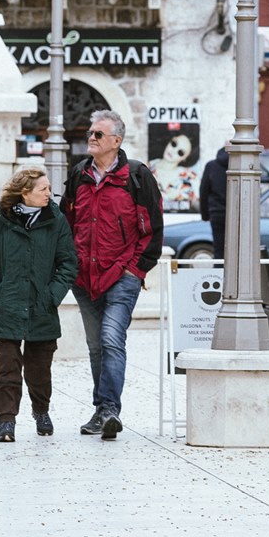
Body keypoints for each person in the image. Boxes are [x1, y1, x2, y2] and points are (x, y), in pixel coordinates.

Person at [61, 109, 163, 441]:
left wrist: (136, 270)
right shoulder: (78, 174)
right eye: (90, 133)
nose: (91, 138)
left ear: (116, 141)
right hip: (85, 277)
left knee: (110, 339)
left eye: (98, 134)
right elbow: (66, 223)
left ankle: (109, 410)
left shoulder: (137, 176)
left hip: (123, 274)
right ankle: (101, 410)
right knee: (95, 346)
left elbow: (153, 229)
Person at [0, 167, 77, 443]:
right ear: (25, 193)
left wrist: (52, 295)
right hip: (8, 305)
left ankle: (41, 410)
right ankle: (6, 420)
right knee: (7, 367)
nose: (50, 193)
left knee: (39, 368)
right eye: (43, 189)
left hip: (42, 307)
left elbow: (68, 263)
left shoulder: (56, 220)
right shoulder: (0, 220)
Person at [148, 133, 200, 212]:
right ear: (169, 141)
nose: (173, 151)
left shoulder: (191, 178)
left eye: (181, 152)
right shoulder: (145, 168)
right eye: (174, 144)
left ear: (185, 158)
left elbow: (200, 208)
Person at [199, 146, 229, 259]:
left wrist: (205, 215)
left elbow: (204, 191)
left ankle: (218, 274)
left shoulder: (211, 166)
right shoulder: (240, 165)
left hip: (217, 213)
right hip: (237, 214)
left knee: (219, 249)